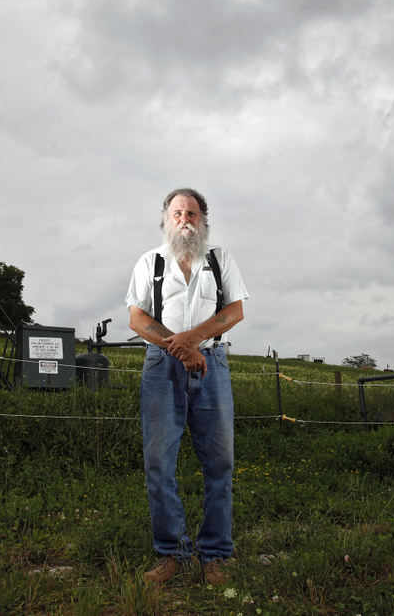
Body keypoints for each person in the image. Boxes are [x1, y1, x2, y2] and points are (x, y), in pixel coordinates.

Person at [125, 187, 249, 585]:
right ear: (166, 220)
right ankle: (171, 553)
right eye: (177, 213)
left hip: (211, 364)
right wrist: (178, 348)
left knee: (220, 463)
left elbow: (235, 311)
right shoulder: (150, 262)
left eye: (192, 214)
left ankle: (213, 555)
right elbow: (137, 318)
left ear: (203, 221)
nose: (185, 220)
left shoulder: (220, 259)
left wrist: (193, 340)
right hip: (162, 367)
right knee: (159, 463)